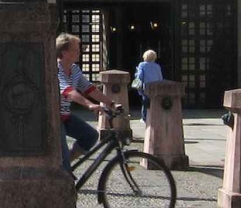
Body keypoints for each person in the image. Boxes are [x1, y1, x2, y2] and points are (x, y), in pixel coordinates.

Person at [55, 33, 118, 170]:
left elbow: (89, 89)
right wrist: (89, 104)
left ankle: (63, 168)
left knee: (90, 136)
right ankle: (63, 171)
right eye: (76, 50)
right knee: (62, 156)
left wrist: (111, 104)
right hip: (53, 119)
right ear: (65, 52)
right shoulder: (55, 69)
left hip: (65, 116)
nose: (80, 52)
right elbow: (68, 92)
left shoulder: (74, 69)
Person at [132, 49, 163, 123]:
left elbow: (140, 75)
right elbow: (160, 77)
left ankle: (144, 118)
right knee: (155, 101)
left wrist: (137, 82)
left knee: (145, 102)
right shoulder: (157, 66)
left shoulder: (142, 65)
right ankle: (156, 117)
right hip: (156, 86)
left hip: (146, 86)